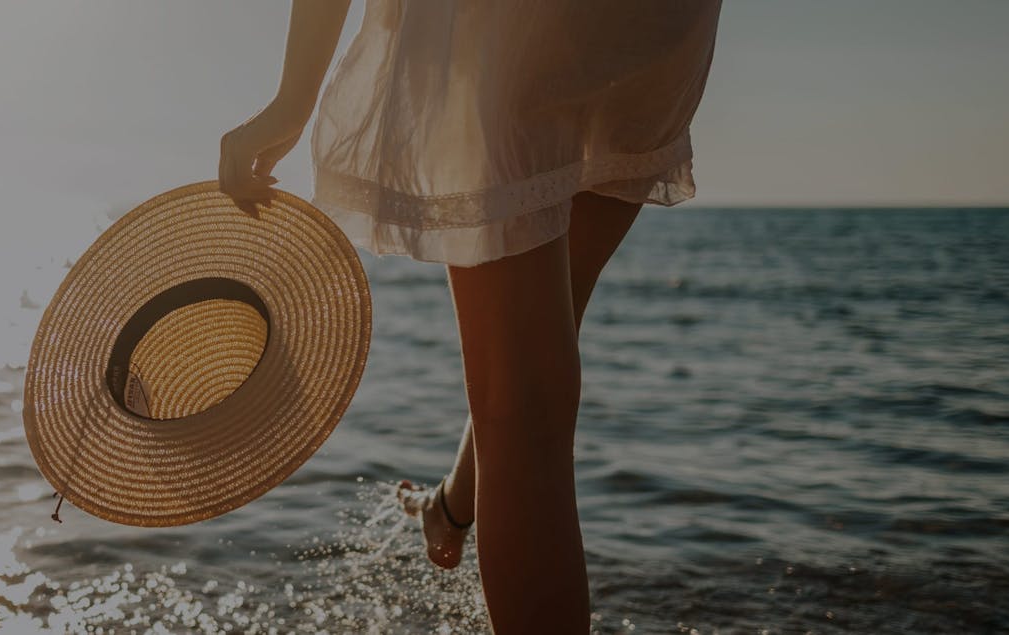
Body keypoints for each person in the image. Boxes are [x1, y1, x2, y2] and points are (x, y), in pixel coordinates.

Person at [217, 1, 721, 631]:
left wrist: (293, 99)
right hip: (644, 26)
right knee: (543, 351)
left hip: (508, 28)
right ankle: (453, 506)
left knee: (525, 404)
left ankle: (453, 508)